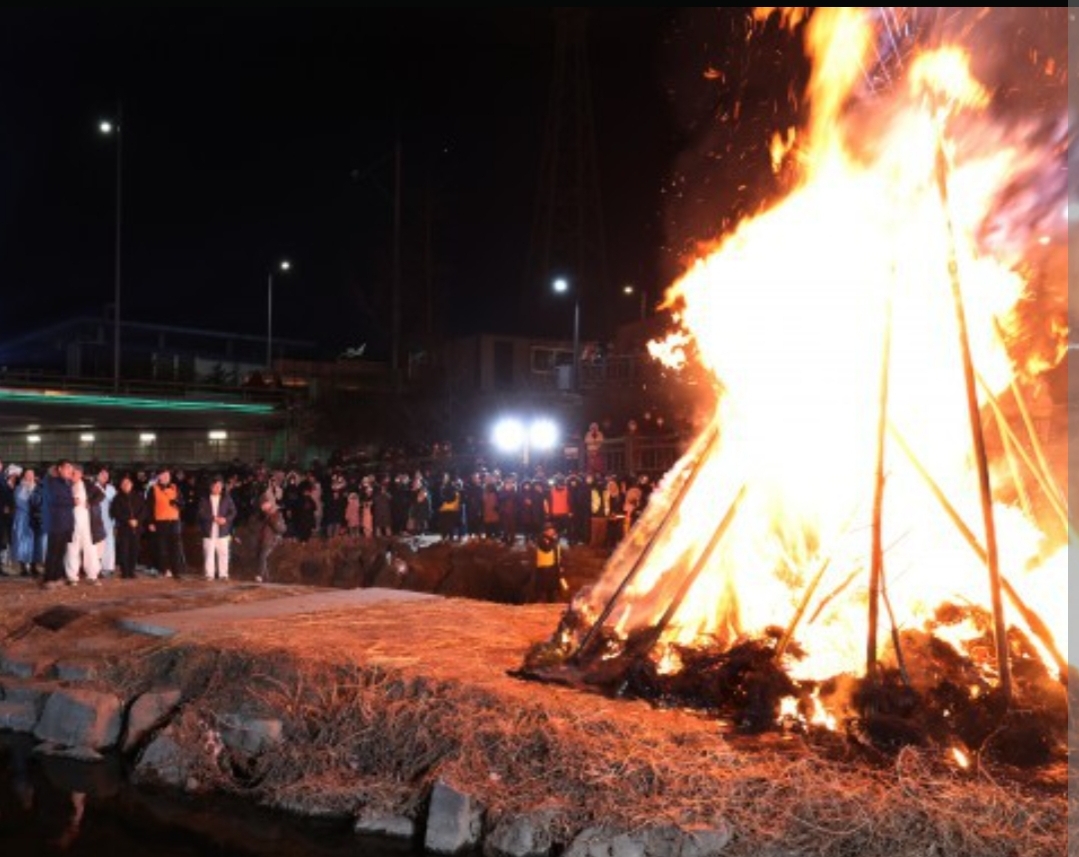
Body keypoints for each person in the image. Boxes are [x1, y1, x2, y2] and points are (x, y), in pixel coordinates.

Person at [65, 463, 102, 585]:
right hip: (71, 522)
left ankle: (92, 575)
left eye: (74, 473)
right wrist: (70, 501)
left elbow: (100, 495)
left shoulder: (88, 484)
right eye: (71, 473)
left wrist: (90, 503)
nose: (72, 475)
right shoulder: (66, 484)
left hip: (87, 523)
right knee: (72, 548)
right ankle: (72, 576)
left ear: (80, 474)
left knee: (90, 549)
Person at [41, 460, 75, 590]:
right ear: (60, 469)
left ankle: (57, 577)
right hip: (56, 523)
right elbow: (55, 500)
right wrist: (72, 501)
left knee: (61, 552)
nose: (70, 471)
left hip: (65, 523)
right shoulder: (53, 483)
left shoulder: (66, 483)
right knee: (53, 552)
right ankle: (49, 578)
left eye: (71, 469)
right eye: (67, 468)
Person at [197, 474, 238, 581]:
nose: (217, 488)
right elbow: (201, 513)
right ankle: (209, 574)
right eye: (215, 486)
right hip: (208, 530)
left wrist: (225, 519)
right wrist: (213, 518)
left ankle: (223, 574)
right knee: (209, 554)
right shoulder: (204, 499)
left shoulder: (226, 498)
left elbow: (233, 511)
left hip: (223, 531)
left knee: (223, 553)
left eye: (220, 486)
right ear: (211, 486)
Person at [148, 467, 185, 579]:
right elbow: (149, 507)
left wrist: (176, 503)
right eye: (163, 475)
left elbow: (182, 504)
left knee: (175, 547)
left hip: (174, 521)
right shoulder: (153, 489)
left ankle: (176, 571)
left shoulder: (175, 488)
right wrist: (151, 522)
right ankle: (164, 569)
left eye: (167, 475)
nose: (165, 477)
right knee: (162, 547)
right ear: (159, 477)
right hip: (160, 522)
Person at [112, 474, 147, 579]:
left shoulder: (139, 497)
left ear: (131, 485)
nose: (126, 485)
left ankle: (132, 571)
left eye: (127, 483)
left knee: (135, 549)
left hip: (137, 527)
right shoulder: (117, 498)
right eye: (123, 483)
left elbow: (144, 510)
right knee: (124, 550)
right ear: (121, 486)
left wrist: (137, 520)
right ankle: (125, 572)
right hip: (124, 528)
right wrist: (127, 520)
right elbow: (115, 512)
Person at [10, 467, 44, 576]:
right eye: (28, 474)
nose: (30, 477)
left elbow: (40, 502)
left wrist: (33, 493)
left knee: (34, 542)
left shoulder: (38, 488)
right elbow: (17, 501)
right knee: (21, 542)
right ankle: (23, 566)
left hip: (34, 518)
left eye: (31, 474)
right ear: (24, 476)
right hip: (21, 518)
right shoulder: (19, 488)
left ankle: (34, 566)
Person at [255, 497, 287, 583]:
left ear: (268, 504)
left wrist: (272, 520)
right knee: (261, 557)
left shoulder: (275, 514)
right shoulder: (264, 515)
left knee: (262, 556)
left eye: (263, 505)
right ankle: (266, 578)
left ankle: (260, 575)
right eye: (261, 506)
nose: (262, 507)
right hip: (264, 539)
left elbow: (281, 529)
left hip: (271, 540)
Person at [532, 521, 564, 603]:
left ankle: (551, 601)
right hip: (544, 568)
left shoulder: (552, 539)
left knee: (551, 589)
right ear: (545, 531)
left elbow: (557, 553)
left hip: (553, 567)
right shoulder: (541, 539)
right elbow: (547, 549)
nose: (553, 532)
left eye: (553, 530)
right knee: (542, 589)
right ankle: (538, 602)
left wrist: (560, 566)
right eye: (550, 530)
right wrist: (554, 540)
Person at [94, 466, 117, 577]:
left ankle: (108, 567)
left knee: (109, 543)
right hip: (96, 519)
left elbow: (116, 504)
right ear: (97, 475)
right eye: (102, 474)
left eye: (106, 474)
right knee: (97, 545)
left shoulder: (111, 489)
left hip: (109, 520)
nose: (104, 476)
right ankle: (96, 568)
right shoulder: (93, 487)